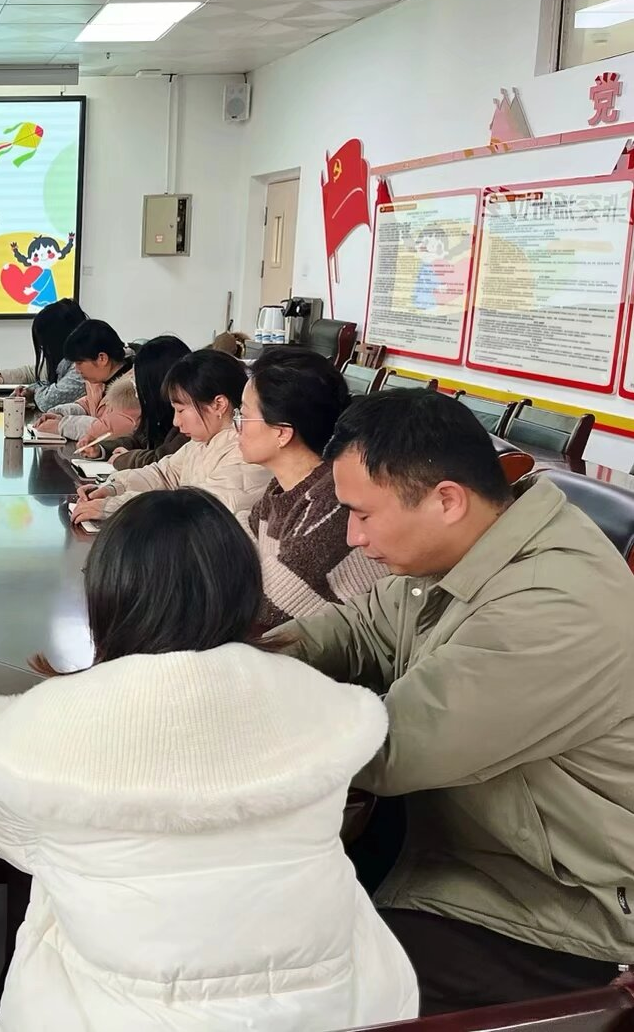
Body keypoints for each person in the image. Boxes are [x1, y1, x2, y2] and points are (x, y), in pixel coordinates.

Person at [0, 489, 418, 1031]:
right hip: (341, 1008)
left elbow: (18, 842)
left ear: (107, 591)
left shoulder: (37, 729)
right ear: (245, 587)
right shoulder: (324, 703)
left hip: (109, 1014)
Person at [270, 389, 634, 1014]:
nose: (353, 536)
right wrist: (240, 662)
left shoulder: (552, 606)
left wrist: (239, 708)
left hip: (552, 907)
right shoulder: (464, 548)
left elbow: (393, 751)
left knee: (299, 992)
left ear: (446, 500)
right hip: (452, 836)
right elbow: (354, 631)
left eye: (362, 514)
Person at [238, 346, 388, 632]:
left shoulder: (332, 503)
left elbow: (264, 615)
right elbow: (235, 546)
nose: (237, 426)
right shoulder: (282, 488)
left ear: (282, 433)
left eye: (244, 416)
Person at [72, 349, 268, 525]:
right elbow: (164, 474)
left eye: (181, 410)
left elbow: (201, 508)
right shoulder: (202, 442)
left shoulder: (246, 452)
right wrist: (115, 488)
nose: (176, 421)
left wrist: (114, 506)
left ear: (218, 405)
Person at [76, 334, 191, 467]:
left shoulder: (186, 422)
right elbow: (138, 440)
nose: (136, 387)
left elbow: (164, 461)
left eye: (139, 381)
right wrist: (101, 449)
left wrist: (127, 458)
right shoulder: (158, 413)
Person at [29, 320, 139, 444]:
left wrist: (62, 426)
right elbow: (90, 404)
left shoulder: (132, 389)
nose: (76, 369)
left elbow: (112, 430)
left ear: (102, 358)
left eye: (79, 363)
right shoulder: (100, 381)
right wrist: (61, 413)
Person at [0, 299, 88, 410]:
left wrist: (34, 392)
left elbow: (48, 402)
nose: (44, 350)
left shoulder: (82, 367)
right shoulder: (63, 362)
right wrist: (2, 377)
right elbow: (34, 372)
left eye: (45, 345)